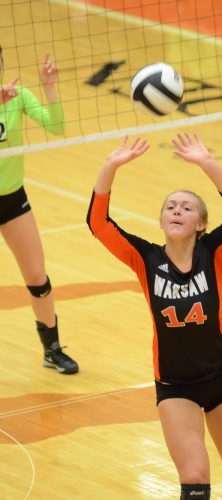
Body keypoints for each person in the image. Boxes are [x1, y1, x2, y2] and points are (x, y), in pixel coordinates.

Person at [86, 132, 222, 499]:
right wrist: (109, 167)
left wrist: (207, 163)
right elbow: (98, 224)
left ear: (200, 224)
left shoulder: (213, 253)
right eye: (170, 206)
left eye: (186, 207)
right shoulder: (146, 258)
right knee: (195, 480)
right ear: (162, 220)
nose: (177, 210)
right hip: (175, 386)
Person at [0, 46, 78, 374]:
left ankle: (52, 349)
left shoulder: (17, 97)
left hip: (12, 199)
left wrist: (49, 89)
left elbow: (56, 127)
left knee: (37, 276)